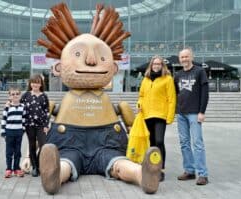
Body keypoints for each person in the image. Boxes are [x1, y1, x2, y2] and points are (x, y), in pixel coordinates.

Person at [35, 3, 162, 195]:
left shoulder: (112, 101)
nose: (91, 60)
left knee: (119, 162)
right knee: (65, 162)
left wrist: (135, 134)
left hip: (107, 140)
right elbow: (39, 128)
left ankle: (141, 174)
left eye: (102, 57)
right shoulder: (54, 103)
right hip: (69, 141)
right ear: (59, 68)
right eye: (78, 54)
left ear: (114, 69)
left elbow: (132, 124)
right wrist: (32, 152)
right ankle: (53, 176)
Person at [137, 55, 176, 182]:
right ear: (151, 65)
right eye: (154, 64)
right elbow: (141, 95)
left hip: (160, 115)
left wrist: (169, 116)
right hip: (147, 115)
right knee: (151, 142)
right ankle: (152, 168)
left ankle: (161, 169)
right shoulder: (146, 79)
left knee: (159, 141)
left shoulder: (168, 79)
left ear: (162, 66)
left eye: (159, 64)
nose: (156, 66)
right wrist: (139, 105)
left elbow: (172, 99)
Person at [174, 48, 209, 185]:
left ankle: (203, 174)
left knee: (197, 143)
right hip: (181, 113)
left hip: (195, 113)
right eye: (182, 57)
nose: (184, 59)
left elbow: (205, 93)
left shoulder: (200, 72)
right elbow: (176, 94)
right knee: (184, 143)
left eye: (186, 56)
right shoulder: (177, 75)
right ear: (179, 59)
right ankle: (189, 171)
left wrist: (202, 112)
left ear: (191, 57)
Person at [20, 74, 49, 177]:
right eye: (33, 82)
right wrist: (9, 104)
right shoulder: (26, 95)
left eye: (37, 82)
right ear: (30, 84)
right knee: (32, 145)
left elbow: (46, 112)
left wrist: (46, 125)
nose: (35, 84)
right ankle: (35, 168)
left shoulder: (44, 96)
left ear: (41, 84)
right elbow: (19, 107)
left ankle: (37, 162)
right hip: (29, 125)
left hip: (41, 125)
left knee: (43, 145)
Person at [0, 86, 26, 178]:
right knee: (9, 152)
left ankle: (16, 168)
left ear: (20, 95)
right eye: (13, 94)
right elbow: (4, 120)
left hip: (18, 132)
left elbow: (23, 119)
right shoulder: (7, 107)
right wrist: (3, 132)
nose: (15, 96)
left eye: (17, 94)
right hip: (9, 132)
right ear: (9, 96)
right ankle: (8, 169)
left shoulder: (23, 107)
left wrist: (23, 130)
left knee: (18, 152)